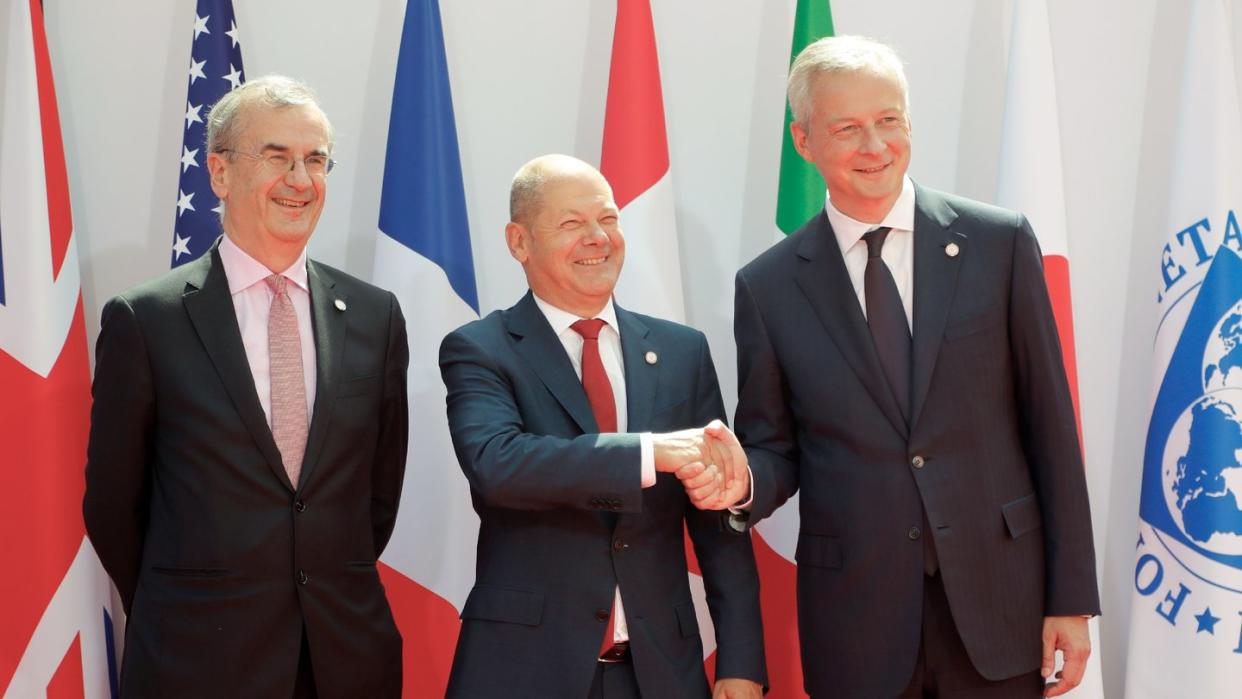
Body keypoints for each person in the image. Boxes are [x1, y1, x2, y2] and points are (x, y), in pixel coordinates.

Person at [728, 36, 1100, 698]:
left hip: (999, 608)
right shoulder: (769, 286)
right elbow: (775, 447)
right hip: (857, 620)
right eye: (848, 128)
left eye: (889, 120)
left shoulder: (998, 242)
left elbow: (1051, 427)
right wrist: (739, 481)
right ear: (804, 141)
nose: (875, 145)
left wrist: (1070, 599)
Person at [83, 75, 407, 698]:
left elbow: (376, 493)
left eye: (315, 160)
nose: (301, 180)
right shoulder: (146, 319)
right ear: (220, 172)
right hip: (196, 660)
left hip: (344, 657)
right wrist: (188, 601)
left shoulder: (375, 315)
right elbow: (112, 506)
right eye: (277, 157)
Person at [439, 154, 766, 699]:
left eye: (608, 220)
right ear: (518, 242)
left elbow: (718, 521)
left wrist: (741, 659)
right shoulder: (481, 349)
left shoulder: (682, 351)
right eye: (571, 224)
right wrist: (648, 453)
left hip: (660, 674)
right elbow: (498, 464)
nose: (598, 238)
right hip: (524, 671)